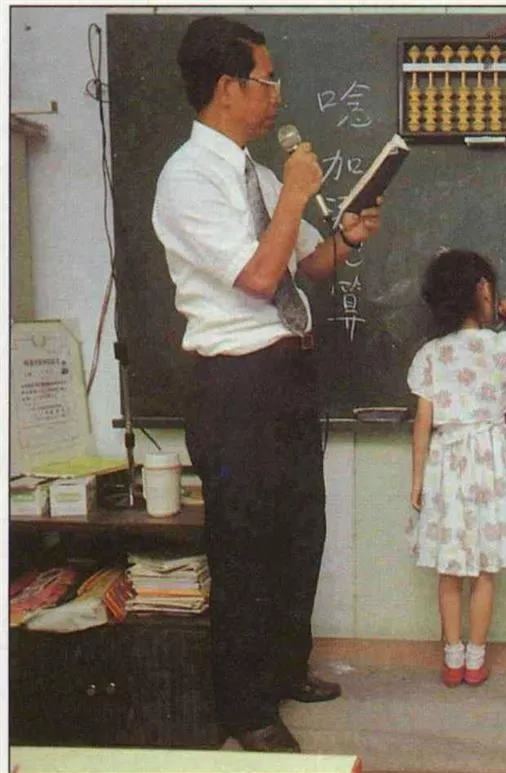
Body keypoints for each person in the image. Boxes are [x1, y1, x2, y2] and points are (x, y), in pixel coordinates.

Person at [151, 17, 383, 752]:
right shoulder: (187, 178)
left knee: (299, 531)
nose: (276, 93)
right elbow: (256, 277)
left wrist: (344, 238)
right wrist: (294, 198)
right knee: (247, 545)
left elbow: (304, 265)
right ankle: (247, 710)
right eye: (267, 78)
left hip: (286, 371)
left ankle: (285, 670)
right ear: (228, 88)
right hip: (235, 381)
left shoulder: (257, 173)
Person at [407, 248, 506, 688]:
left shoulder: (431, 354)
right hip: (489, 459)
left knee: (450, 569)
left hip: (446, 460)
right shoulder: (504, 346)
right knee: (485, 568)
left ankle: (451, 659)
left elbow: (422, 422)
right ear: (484, 290)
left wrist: (417, 480)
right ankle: (476, 659)